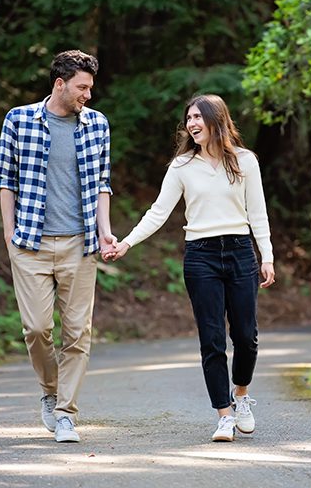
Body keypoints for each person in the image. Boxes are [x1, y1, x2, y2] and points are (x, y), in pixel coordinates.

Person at [106, 94, 275, 442]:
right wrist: (126, 242)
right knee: (212, 338)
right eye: (189, 118)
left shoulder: (245, 162)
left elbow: (258, 212)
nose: (192, 123)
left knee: (246, 336)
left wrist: (267, 256)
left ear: (217, 120)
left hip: (241, 251)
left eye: (199, 117)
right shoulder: (182, 167)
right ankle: (224, 415)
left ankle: (241, 396)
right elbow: (158, 212)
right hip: (201, 256)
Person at [0, 49, 116, 444]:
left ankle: (65, 413)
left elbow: (102, 184)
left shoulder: (97, 125)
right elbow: (5, 180)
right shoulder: (18, 120)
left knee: (78, 334)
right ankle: (50, 391)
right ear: (59, 84)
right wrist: (9, 233)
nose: (88, 95)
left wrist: (105, 232)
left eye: (90, 87)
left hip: (80, 245)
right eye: (82, 87)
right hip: (30, 243)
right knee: (36, 328)